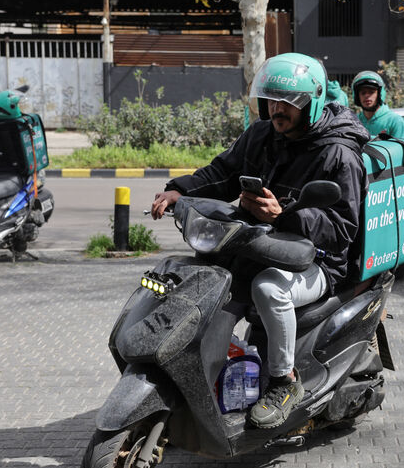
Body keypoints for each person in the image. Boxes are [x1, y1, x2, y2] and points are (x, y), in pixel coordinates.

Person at [150, 52, 369, 429]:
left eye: (288, 102)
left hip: (317, 261)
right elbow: (224, 172)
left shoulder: (339, 154)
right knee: (200, 283)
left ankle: (284, 382)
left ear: (312, 102)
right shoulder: (263, 134)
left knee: (268, 290)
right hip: (257, 243)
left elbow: (342, 229)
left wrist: (285, 215)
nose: (277, 110)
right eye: (271, 100)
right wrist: (178, 191)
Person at [351, 70, 404, 140]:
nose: (367, 96)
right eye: (363, 93)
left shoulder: (395, 122)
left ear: (380, 94)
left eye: (371, 92)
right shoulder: (354, 121)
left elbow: (401, 149)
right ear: (357, 96)